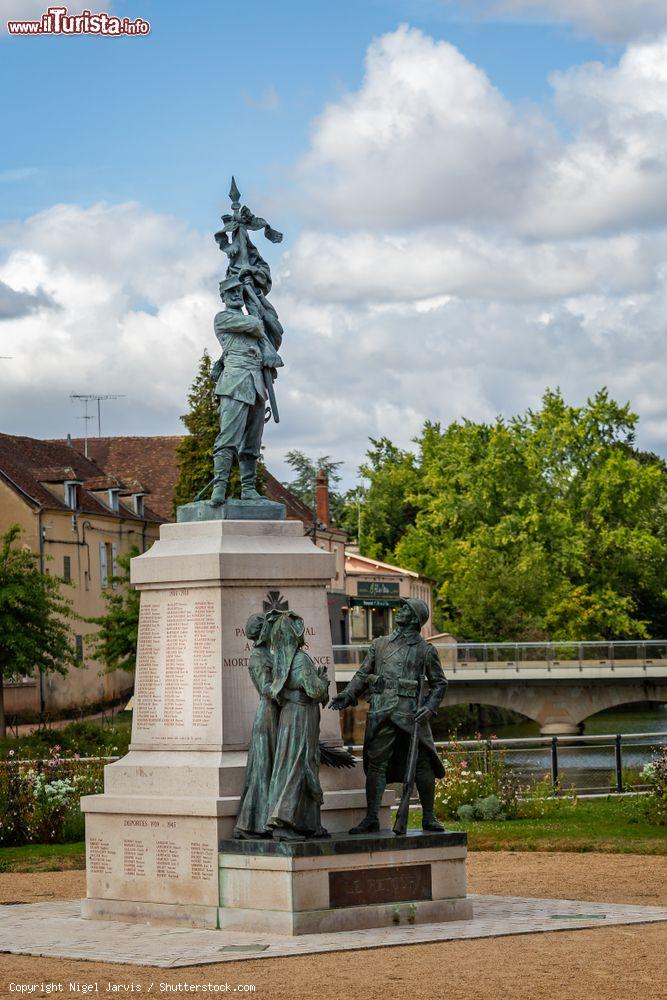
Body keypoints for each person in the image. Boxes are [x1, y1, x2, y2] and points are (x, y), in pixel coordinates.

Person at [329, 598, 447, 833]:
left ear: (414, 618)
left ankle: (429, 817)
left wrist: (430, 706)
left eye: (405, 609)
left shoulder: (425, 650)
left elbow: (439, 683)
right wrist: (348, 695)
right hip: (381, 712)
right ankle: (372, 817)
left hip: (411, 715)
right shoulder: (380, 645)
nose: (399, 611)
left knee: (424, 765)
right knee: (376, 764)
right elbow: (363, 674)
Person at [210, 275, 282, 505]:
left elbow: (267, 332)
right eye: (230, 292)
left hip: (257, 386)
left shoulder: (250, 321)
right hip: (235, 384)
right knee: (228, 438)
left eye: (238, 292)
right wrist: (256, 311)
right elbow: (255, 324)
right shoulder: (223, 318)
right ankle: (219, 487)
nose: (235, 295)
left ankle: (248, 488)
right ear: (223, 296)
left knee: (251, 442)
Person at [264, 611, 330, 841]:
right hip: (301, 717)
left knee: (299, 764)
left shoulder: (283, 660)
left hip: (291, 716)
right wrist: (323, 681)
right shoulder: (300, 659)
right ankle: (282, 821)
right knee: (298, 765)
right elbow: (314, 690)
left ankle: (306, 822)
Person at [234, 613, 279, 839]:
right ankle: (252, 824)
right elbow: (267, 689)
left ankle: (267, 820)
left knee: (270, 770)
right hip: (268, 716)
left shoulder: (267, 654)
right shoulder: (258, 658)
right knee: (263, 770)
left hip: (275, 715)